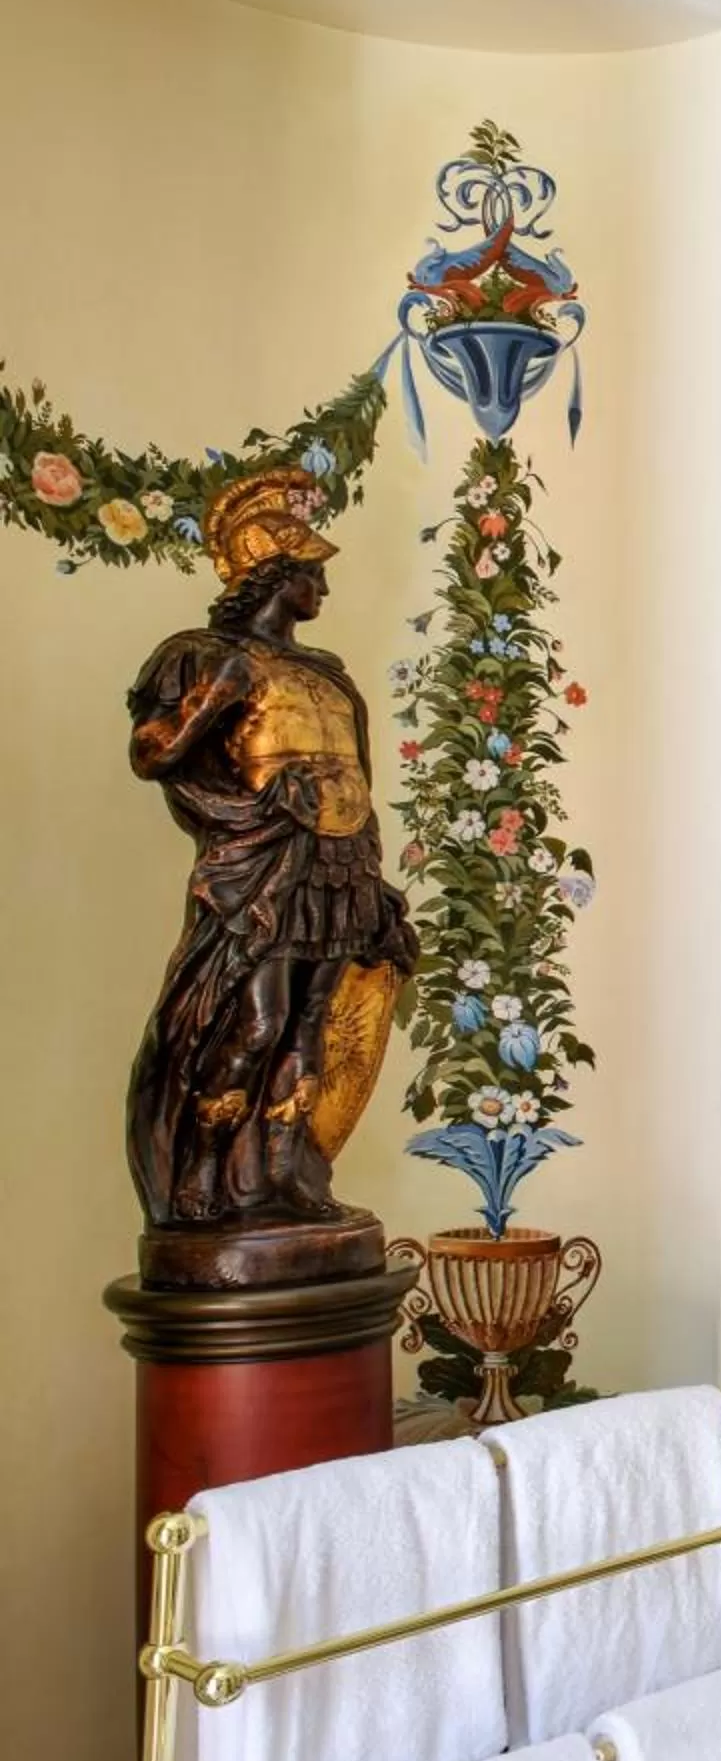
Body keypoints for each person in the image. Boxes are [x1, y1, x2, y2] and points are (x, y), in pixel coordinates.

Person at [124, 468, 415, 1232]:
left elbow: (359, 778)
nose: (323, 587)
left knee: (309, 1023)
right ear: (274, 578)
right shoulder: (200, 657)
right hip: (266, 864)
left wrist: (374, 877)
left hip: (337, 862)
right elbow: (154, 754)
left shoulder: (327, 675)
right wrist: (208, 702)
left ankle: (284, 1175)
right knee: (255, 1021)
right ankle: (201, 1178)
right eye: (312, 572)